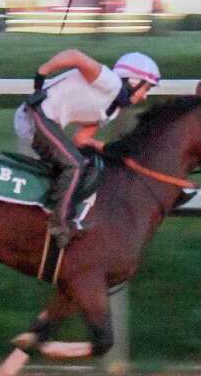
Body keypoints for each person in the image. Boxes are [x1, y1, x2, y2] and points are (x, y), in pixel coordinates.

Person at [14, 50, 160, 248]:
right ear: (134, 81)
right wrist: (42, 72)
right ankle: (60, 226)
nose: (145, 96)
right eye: (147, 88)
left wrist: (115, 150)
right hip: (34, 116)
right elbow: (75, 56)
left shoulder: (111, 110)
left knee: (82, 163)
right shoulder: (110, 82)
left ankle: (46, 212)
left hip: (45, 123)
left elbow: (81, 139)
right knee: (75, 165)